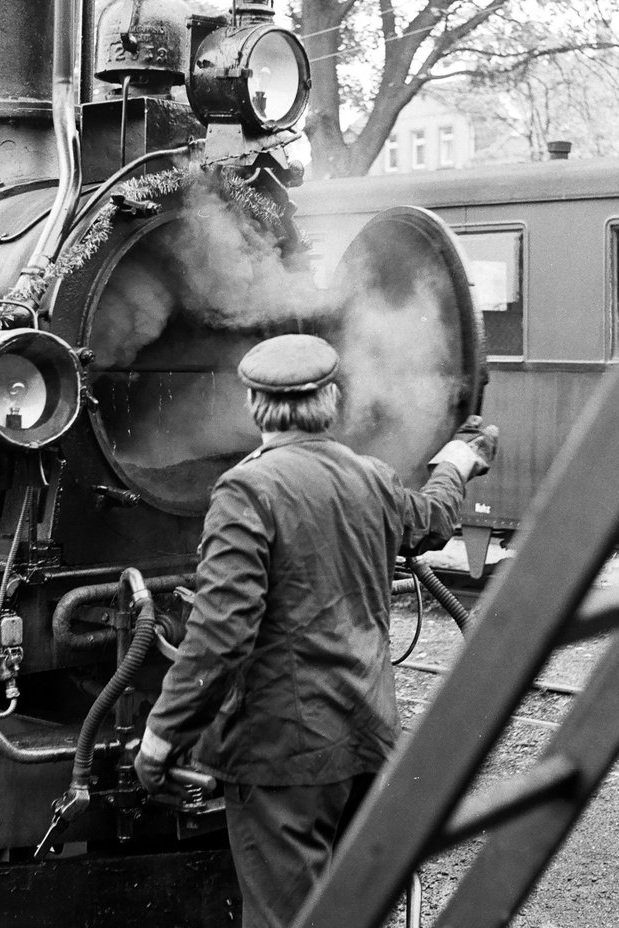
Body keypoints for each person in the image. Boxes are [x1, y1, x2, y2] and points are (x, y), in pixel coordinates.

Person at [134, 333, 498, 928]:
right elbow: (431, 521)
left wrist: (161, 736)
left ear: (254, 406)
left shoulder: (247, 490)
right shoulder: (373, 478)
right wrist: (459, 459)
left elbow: (223, 635)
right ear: (331, 399)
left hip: (283, 755)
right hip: (364, 735)